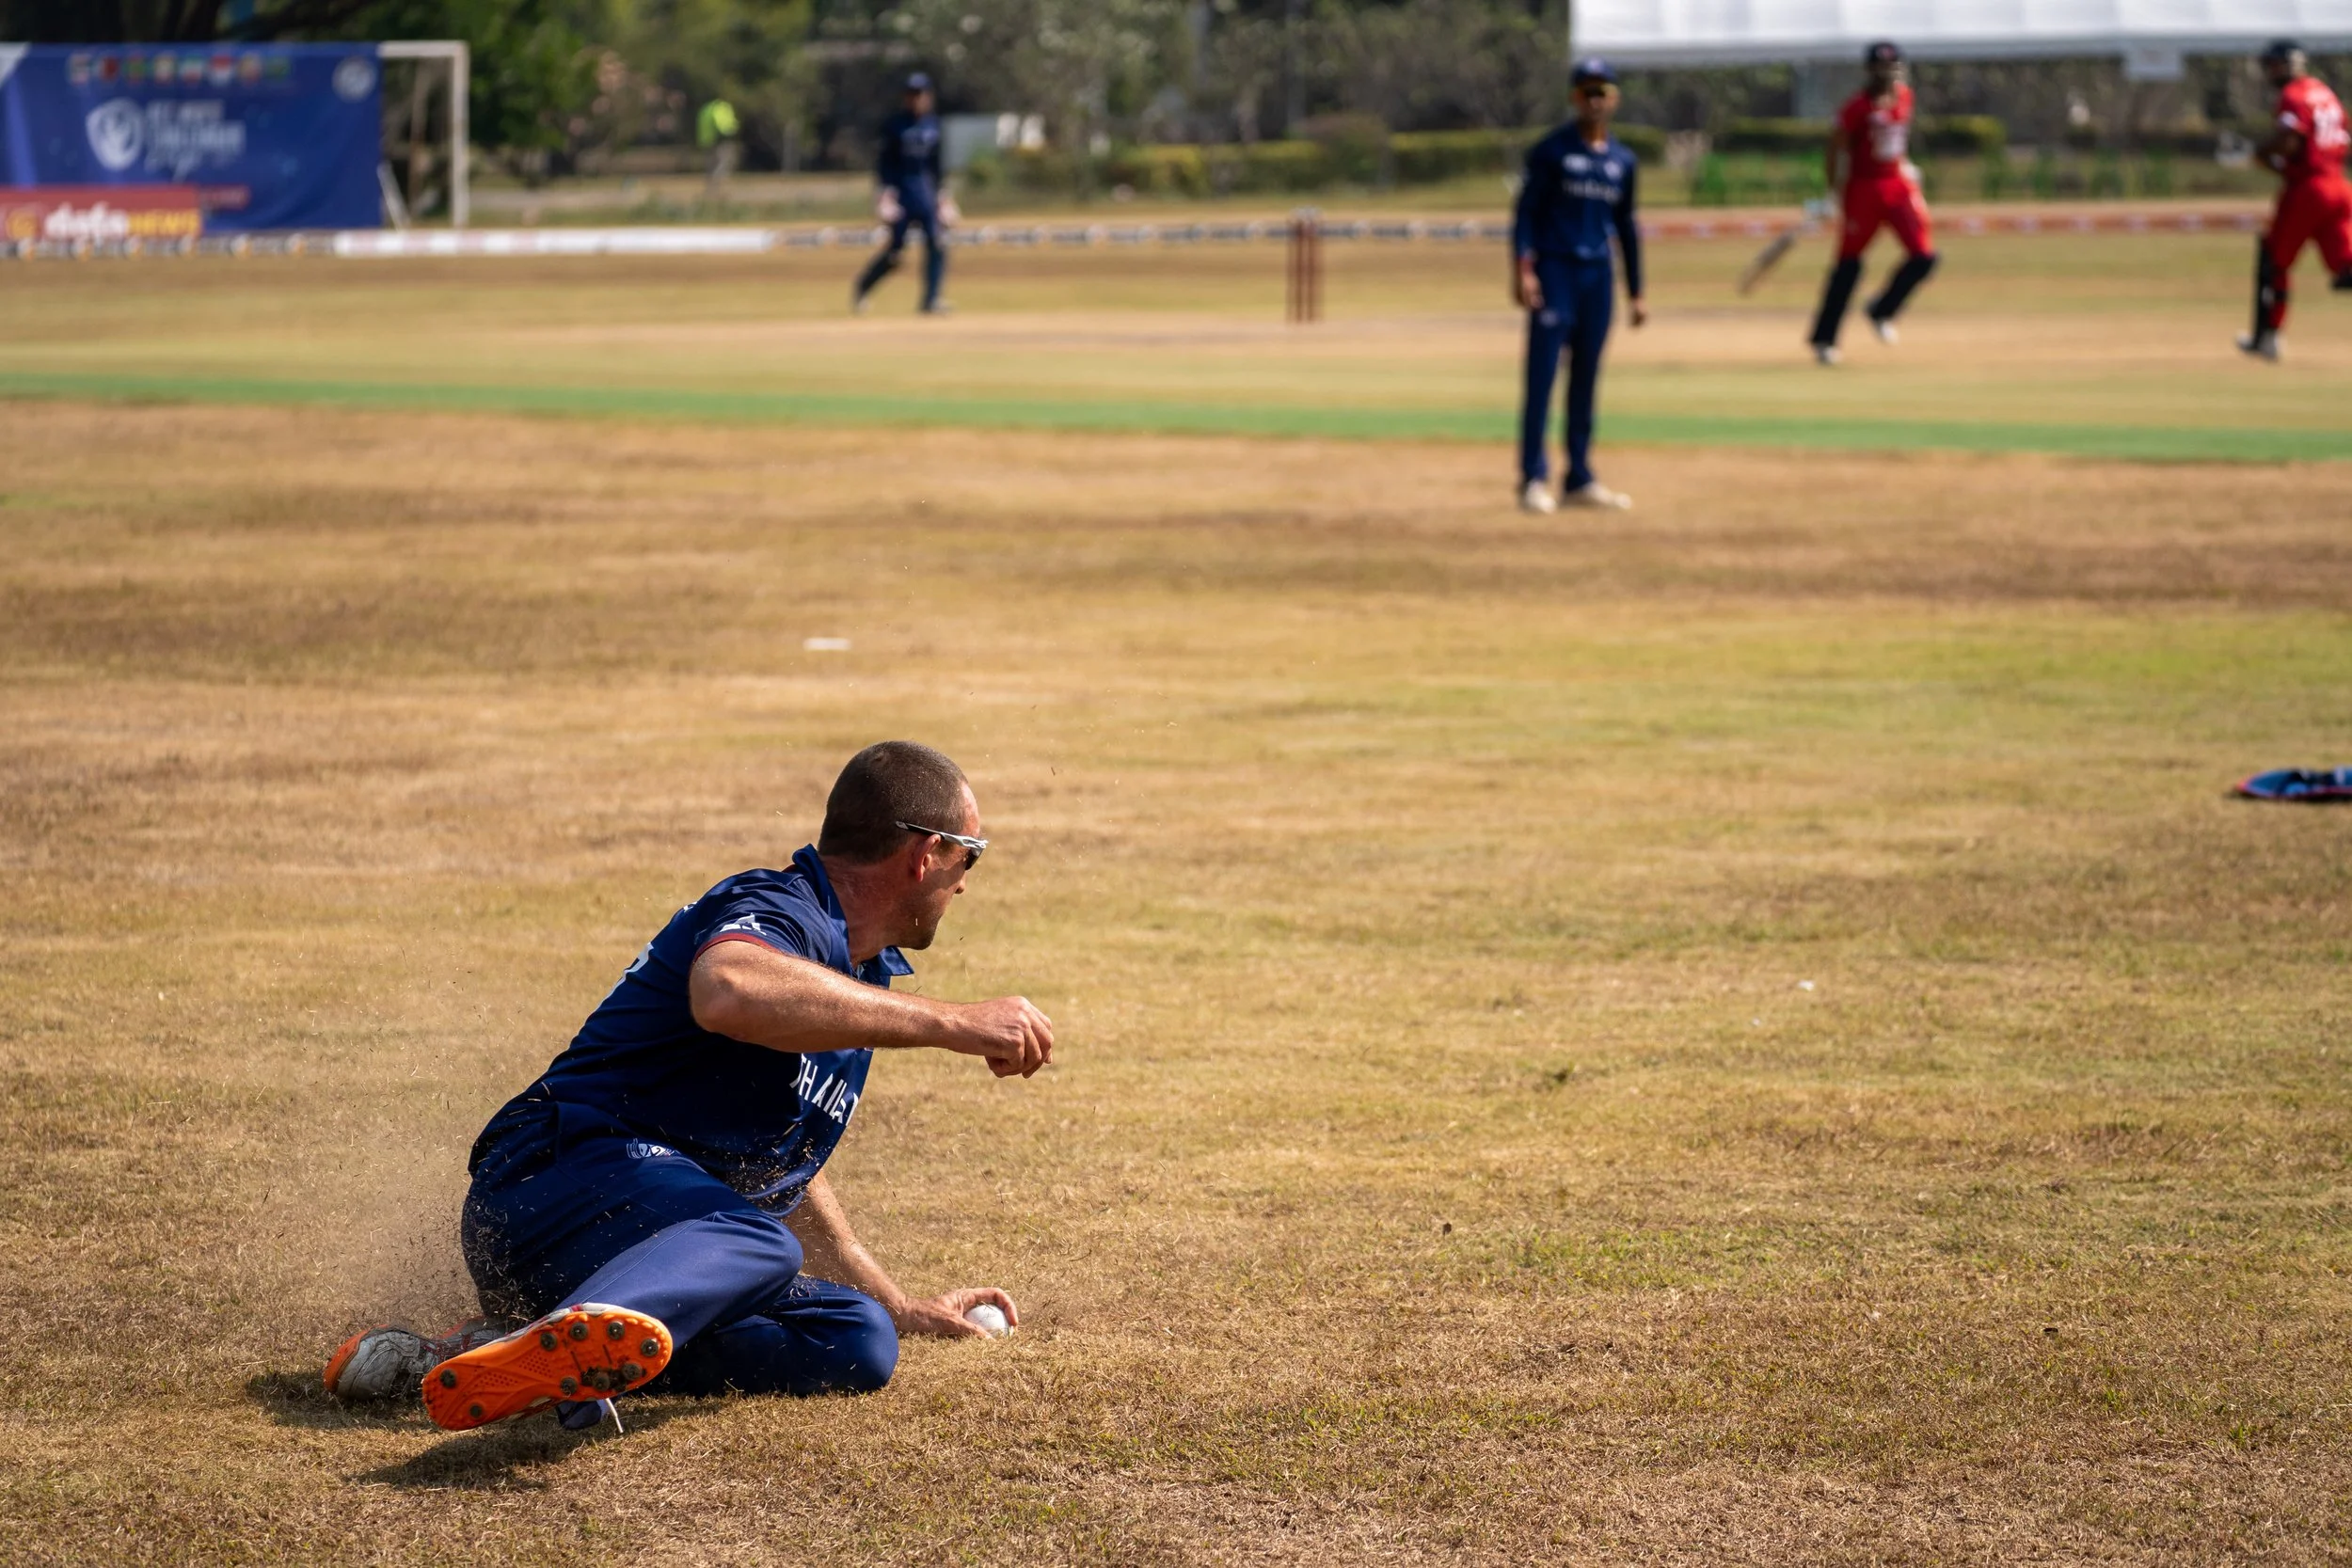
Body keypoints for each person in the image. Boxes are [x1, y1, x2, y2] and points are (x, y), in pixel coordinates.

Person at [324, 742, 1055, 1433]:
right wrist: (955, 1022)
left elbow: (779, 1170)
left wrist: (898, 1304)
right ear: (926, 855)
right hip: (553, 1179)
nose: (966, 879)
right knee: (758, 1240)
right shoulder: (782, 908)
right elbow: (726, 988)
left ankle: (498, 1353)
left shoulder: (858, 977)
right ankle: (575, 1353)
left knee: (855, 1337)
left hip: (647, 1237)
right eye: (971, 854)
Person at [1512, 55, 1647, 515]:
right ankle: (1533, 478)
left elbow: (1626, 227)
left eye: (1602, 91)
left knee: (1586, 380)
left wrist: (1637, 291)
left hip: (1597, 277)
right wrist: (1523, 269)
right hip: (1554, 271)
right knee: (1542, 378)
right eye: (1586, 91)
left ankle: (1580, 478)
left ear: (1614, 99)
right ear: (1574, 97)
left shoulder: (1622, 160)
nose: (1594, 100)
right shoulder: (1551, 152)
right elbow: (1525, 214)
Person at [1808, 40, 1938, 367]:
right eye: (1882, 67)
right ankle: (1825, 339)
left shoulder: (1905, 96)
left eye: (1893, 67)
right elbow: (1834, 149)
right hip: (1863, 188)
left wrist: (1906, 166)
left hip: (1897, 184)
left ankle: (1881, 309)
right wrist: (1831, 193)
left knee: (1923, 256)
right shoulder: (1857, 108)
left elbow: (1897, 142)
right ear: (1869, 71)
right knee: (1849, 263)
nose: (1888, 74)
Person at [2239, 40, 2352, 362]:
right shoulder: (2325, 92)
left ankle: (2268, 339)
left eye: (2272, 65)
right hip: (2340, 187)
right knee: (2346, 268)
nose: (2269, 72)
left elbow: (2290, 141)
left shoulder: (2294, 95)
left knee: (2275, 260)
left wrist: (2260, 153)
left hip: (2309, 190)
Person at [852, 73, 960, 316]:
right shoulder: (894, 125)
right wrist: (884, 196)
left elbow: (938, 166)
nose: (917, 99)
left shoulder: (934, 125)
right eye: (912, 95)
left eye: (921, 94)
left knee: (937, 243)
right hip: (902, 193)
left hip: (927, 193)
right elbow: (884, 164)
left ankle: (931, 300)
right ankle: (863, 286)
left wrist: (944, 198)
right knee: (895, 252)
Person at [697, 97, 741, 189]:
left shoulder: (707, 108)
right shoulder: (720, 108)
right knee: (725, 161)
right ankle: (716, 182)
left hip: (706, 140)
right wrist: (731, 131)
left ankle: (712, 184)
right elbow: (721, 124)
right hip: (719, 139)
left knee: (712, 163)